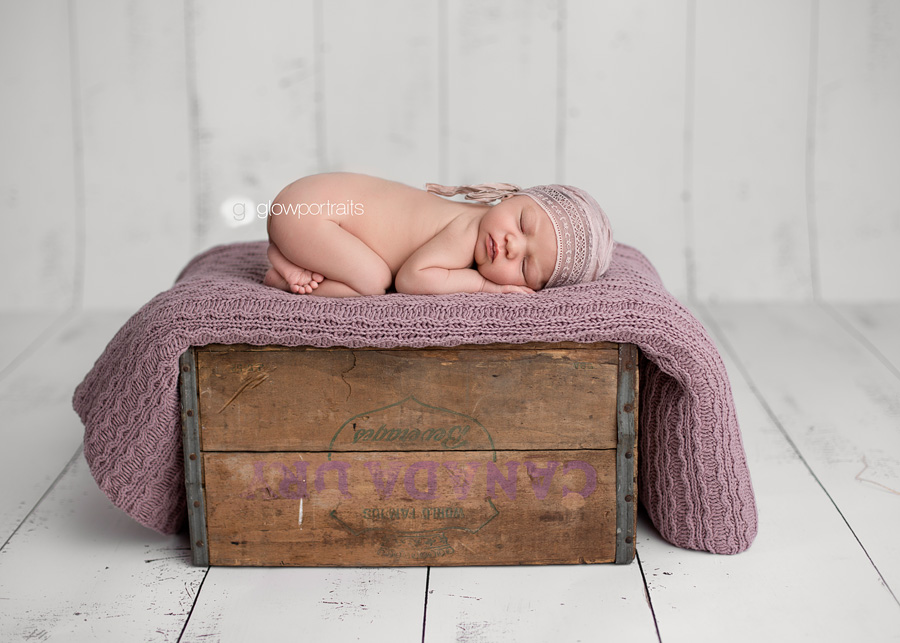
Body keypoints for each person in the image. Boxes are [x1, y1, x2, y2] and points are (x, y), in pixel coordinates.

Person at [263, 172, 613, 298]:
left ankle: (288, 250)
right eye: (522, 224)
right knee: (372, 282)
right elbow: (412, 279)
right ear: (511, 196)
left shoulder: (481, 219)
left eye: (524, 266)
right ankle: (283, 274)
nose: (511, 245)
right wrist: (485, 286)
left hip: (306, 200)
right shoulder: (467, 230)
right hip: (310, 212)